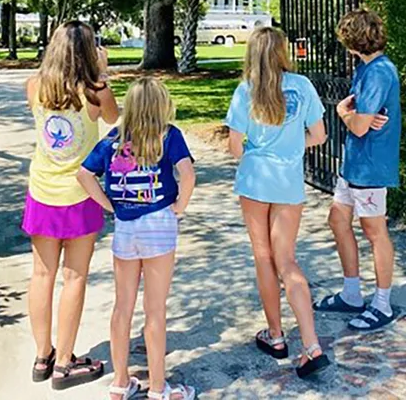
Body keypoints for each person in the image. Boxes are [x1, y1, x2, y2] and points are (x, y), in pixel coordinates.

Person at [77, 78, 197, 400]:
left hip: (126, 227)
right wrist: (180, 208)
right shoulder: (169, 135)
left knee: (122, 307)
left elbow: (84, 174)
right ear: (162, 105)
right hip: (159, 223)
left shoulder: (113, 140)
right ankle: (159, 388)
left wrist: (109, 205)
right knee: (155, 310)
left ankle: (120, 383)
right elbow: (187, 174)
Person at [225, 27, 332, 379]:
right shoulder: (302, 87)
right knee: (287, 260)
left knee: (263, 256)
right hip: (288, 182)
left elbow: (235, 146)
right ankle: (312, 345)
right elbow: (319, 135)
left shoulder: (246, 90)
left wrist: (261, 149)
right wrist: (290, 145)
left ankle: (275, 336)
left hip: (255, 179)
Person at [23, 21, 118, 390]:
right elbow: (113, 118)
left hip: (42, 191)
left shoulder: (35, 87)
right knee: (74, 276)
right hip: (80, 193)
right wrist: (103, 71)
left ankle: (42, 355)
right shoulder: (96, 93)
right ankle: (65, 362)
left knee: (41, 275)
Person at [314, 9, 401, 331]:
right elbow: (361, 118)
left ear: (352, 43)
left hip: (371, 166)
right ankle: (352, 294)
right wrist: (354, 117)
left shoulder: (379, 72)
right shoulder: (366, 68)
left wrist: (342, 113)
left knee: (374, 231)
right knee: (338, 220)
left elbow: (361, 125)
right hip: (355, 164)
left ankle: (382, 303)